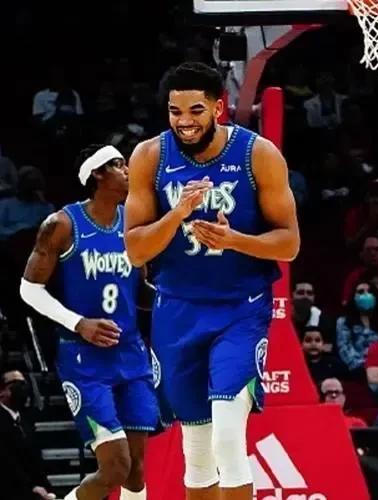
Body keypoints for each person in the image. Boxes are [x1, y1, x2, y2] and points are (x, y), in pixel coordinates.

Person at [124, 62, 300, 500]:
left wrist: (235, 239)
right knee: (197, 451)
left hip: (240, 308)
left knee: (227, 436)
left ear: (219, 108)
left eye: (196, 110)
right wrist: (177, 214)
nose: (184, 122)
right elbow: (136, 251)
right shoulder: (149, 156)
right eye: (175, 112)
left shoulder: (257, 154)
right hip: (177, 309)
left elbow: (289, 243)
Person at [18, 144, 158, 500]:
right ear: (97, 173)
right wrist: (79, 323)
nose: (128, 171)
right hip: (85, 359)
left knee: (136, 472)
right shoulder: (62, 224)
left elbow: (139, 289)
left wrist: (175, 296)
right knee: (115, 467)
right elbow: (28, 289)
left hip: (131, 353)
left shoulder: (134, 222)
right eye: (118, 165)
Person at [0, 370, 55, 500]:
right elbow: (6, 461)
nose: (22, 389)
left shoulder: (26, 419)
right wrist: (31, 487)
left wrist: (46, 488)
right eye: (16, 384)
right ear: (2, 391)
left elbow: (34, 458)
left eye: (23, 384)